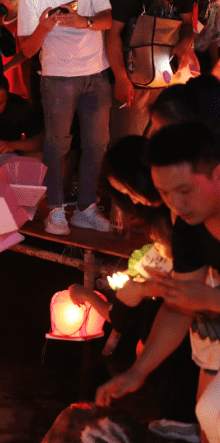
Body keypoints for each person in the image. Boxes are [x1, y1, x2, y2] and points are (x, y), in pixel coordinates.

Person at [96, 122, 220, 443]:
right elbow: (179, 306)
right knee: (208, 415)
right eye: (164, 193)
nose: (176, 205)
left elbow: (198, 297)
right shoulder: (191, 227)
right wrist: (138, 371)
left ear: (217, 174)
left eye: (184, 191)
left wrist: (209, 299)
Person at [18, 0, 113, 235]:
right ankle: (55, 210)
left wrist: (82, 22)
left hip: (95, 71)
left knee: (97, 144)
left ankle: (86, 207)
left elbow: (108, 19)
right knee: (56, 144)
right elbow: (27, 50)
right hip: (57, 75)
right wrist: (44, 27)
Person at [107, 0, 199, 143]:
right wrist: (121, 79)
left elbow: (186, 24)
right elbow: (112, 35)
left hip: (168, 76)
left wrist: (185, 43)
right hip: (134, 80)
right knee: (130, 143)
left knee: (164, 142)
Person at [0, 0, 30, 100]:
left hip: (24, 81)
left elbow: (27, 52)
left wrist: (3, 69)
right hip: (3, 82)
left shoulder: (29, 20)